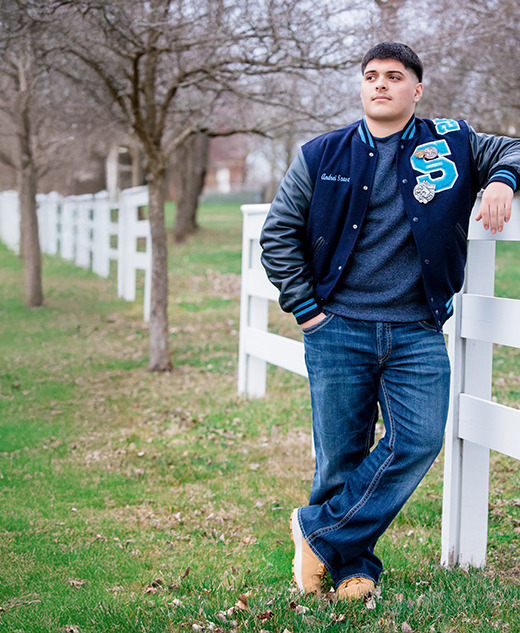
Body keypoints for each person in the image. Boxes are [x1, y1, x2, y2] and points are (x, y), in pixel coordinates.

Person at [259, 42, 520, 600]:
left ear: (416, 90)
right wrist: (308, 312)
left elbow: (514, 148)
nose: (381, 84)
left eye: (395, 76)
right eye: (371, 76)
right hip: (338, 328)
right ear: (361, 87)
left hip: (417, 330)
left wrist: (501, 181)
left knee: (420, 439)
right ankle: (352, 571)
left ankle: (316, 533)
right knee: (340, 455)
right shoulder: (321, 154)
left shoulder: (453, 142)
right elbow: (278, 236)